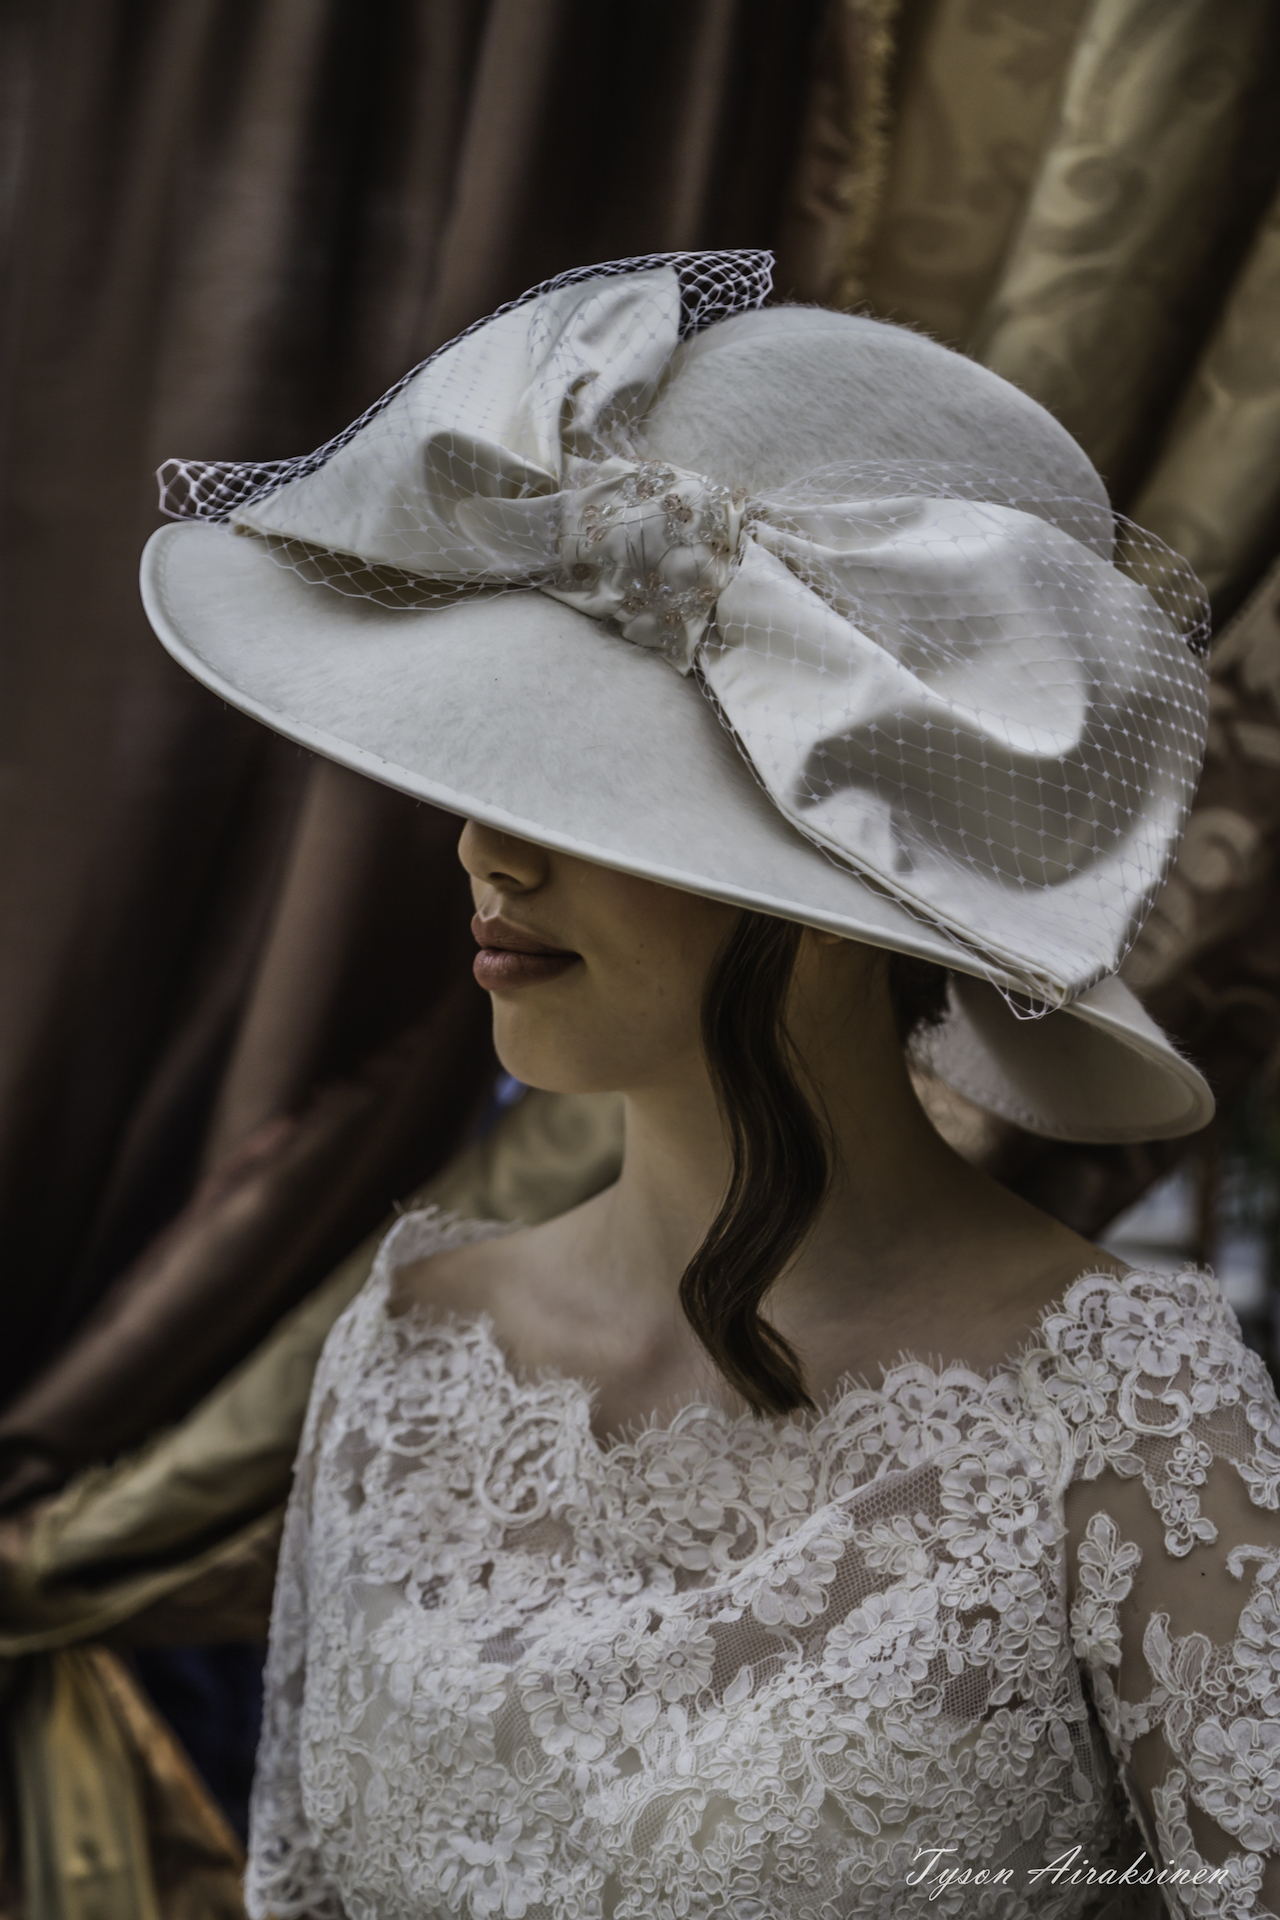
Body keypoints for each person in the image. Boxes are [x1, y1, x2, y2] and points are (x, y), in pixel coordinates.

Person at [141, 252, 1280, 1918]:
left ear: (840, 867)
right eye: (485, 768)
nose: (486, 848)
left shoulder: (1132, 1417)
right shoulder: (410, 1349)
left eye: (586, 790)